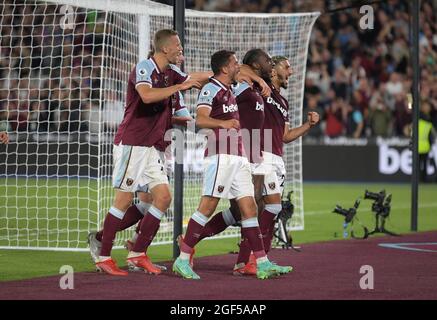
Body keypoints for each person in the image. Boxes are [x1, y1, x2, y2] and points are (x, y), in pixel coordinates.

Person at [90, 29, 203, 276]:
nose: (181, 49)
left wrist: (227, 76)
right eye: (178, 45)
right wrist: (179, 87)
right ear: (165, 48)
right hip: (133, 143)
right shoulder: (144, 67)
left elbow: (194, 79)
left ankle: (138, 252)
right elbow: (147, 95)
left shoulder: (172, 73)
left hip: (151, 146)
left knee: (162, 197)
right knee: (124, 200)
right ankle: (104, 255)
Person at [172, 50, 284, 280]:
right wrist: (224, 124)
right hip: (220, 154)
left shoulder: (230, 90)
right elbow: (200, 120)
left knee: (250, 208)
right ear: (225, 68)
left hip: (239, 155)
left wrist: (259, 79)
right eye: (234, 64)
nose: (238, 68)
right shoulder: (210, 88)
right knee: (208, 206)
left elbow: (244, 72)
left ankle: (261, 262)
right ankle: (183, 258)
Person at [418, 102, 436, 183]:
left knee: (417, 166)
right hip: (425, 147)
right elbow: (433, 135)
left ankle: (418, 179)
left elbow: (409, 132)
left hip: (417, 147)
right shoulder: (429, 124)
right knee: (424, 165)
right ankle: (424, 179)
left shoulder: (416, 123)